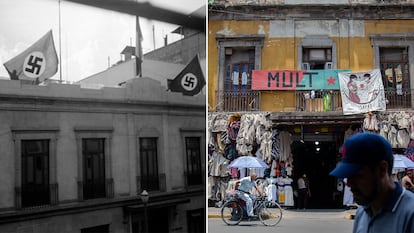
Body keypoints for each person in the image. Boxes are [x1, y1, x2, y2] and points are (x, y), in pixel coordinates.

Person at [330, 133, 414, 233]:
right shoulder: (363, 213)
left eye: (357, 176)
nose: (349, 184)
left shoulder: (410, 214)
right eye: (348, 177)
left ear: (382, 169)